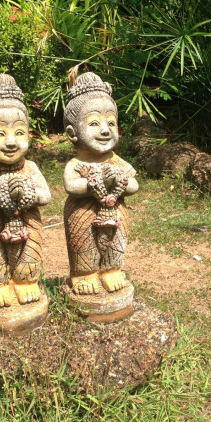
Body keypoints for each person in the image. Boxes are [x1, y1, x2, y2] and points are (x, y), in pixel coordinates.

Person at [0, 74, 51, 307]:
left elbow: (45, 195)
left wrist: (26, 192)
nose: (12, 142)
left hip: (26, 221)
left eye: (19, 132)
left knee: (30, 249)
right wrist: (1, 193)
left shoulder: (30, 167)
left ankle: (26, 282)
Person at [63, 72, 139, 295]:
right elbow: (71, 186)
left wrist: (120, 182)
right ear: (72, 133)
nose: (105, 130)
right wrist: (94, 184)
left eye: (111, 122)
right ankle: (84, 274)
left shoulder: (117, 162)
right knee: (82, 241)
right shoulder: (77, 164)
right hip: (83, 213)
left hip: (115, 212)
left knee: (117, 242)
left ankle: (111, 270)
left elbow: (134, 185)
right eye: (94, 123)